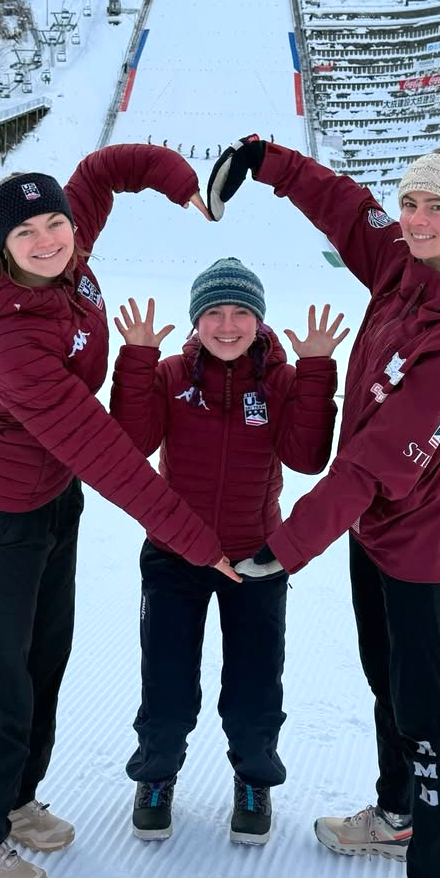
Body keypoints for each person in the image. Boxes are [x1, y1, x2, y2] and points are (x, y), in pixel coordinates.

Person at [206, 136, 440, 878]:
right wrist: (266, 162)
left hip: (425, 547)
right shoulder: (400, 264)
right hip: (373, 533)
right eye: (411, 202)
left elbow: (382, 458)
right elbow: (348, 207)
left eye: (436, 208)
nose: (414, 220)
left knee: (430, 721)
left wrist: (288, 545)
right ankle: (397, 814)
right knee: (387, 682)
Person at [0, 147, 240, 878]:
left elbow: (104, 171)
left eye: (54, 224)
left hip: (50, 501)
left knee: (40, 661)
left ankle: (13, 797)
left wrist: (184, 187)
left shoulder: (68, 255)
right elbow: (106, 454)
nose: (47, 240)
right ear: (0, 245)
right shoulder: (10, 338)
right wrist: (198, 542)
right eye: (25, 232)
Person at [109, 259, 344, 846]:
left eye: (241, 312)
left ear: (259, 320)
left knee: (254, 689)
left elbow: (308, 458)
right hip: (175, 557)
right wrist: (136, 360)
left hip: (256, 560)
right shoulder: (170, 375)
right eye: (214, 312)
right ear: (196, 320)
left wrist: (316, 372)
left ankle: (253, 781)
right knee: (166, 684)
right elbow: (131, 445)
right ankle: (156, 777)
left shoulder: (281, 382)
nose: (228, 325)